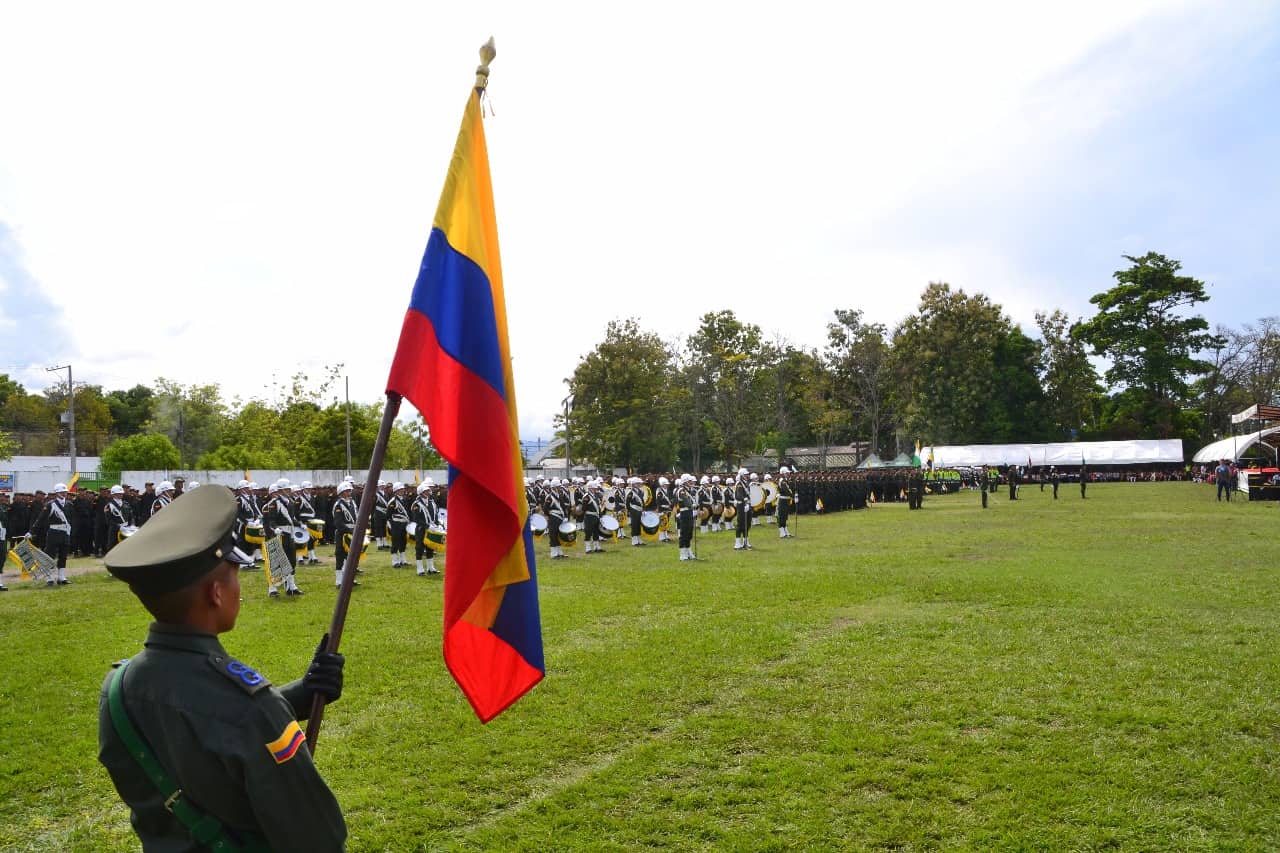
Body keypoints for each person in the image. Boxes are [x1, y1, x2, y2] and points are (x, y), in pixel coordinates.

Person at [98, 485, 346, 851]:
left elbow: (199, 726)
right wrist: (272, 710)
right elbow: (318, 837)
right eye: (235, 574)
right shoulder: (250, 707)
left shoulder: (118, 688)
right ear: (216, 593)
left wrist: (301, 695)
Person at [32, 482, 74, 585]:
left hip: (65, 532)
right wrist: (31, 531)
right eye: (61, 492)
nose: (64, 494)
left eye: (65, 492)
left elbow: (71, 519)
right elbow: (40, 519)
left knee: (63, 554)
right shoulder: (50, 504)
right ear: (57, 493)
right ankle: (49, 577)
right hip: (54, 532)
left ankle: (61, 577)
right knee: (50, 555)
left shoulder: (69, 504)